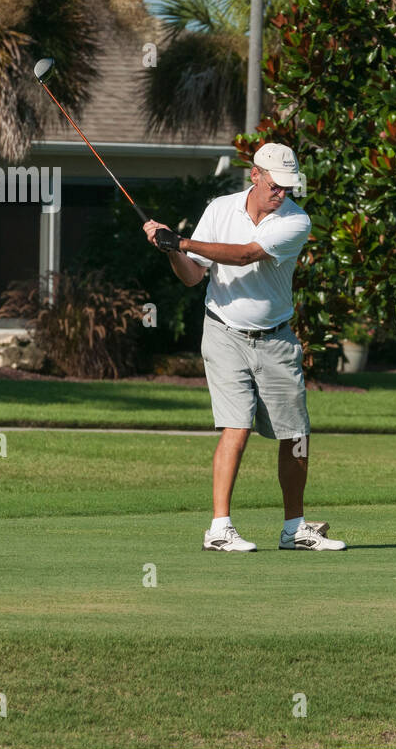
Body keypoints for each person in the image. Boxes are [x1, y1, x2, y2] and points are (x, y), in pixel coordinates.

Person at [143, 142, 344, 552]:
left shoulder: (296, 221)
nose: (282, 193)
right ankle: (219, 529)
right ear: (254, 175)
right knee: (235, 427)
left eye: (288, 186)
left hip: (276, 338)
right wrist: (170, 250)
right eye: (275, 185)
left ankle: (294, 529)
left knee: (296, 436)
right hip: (223, 332)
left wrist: (180, 242)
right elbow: (193, 278)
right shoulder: (220, 209)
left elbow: (244, 255)